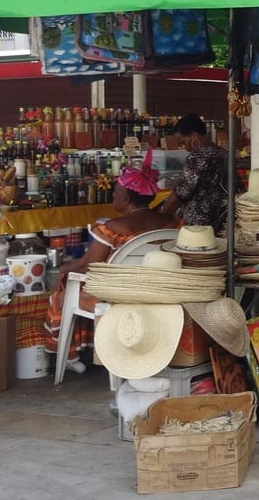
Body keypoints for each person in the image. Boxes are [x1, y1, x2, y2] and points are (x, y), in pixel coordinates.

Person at [46, 151, 178, 373]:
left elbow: (86, 265)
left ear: (126, 198)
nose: (113, 196)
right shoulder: (170, 223)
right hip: (156, 288)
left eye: (116, 191)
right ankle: (84, 348)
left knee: (63, 288)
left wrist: (65, 268)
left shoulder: (114, 228)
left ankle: (70, 353)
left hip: (119, 294)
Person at [159, 113, 230, 232]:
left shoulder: (198, 156)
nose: (184, 148)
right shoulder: (223, 153)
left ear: (193, 136)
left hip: (201, 226)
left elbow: (182, 192)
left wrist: (161, 216)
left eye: (183, 142)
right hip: (224, 221)